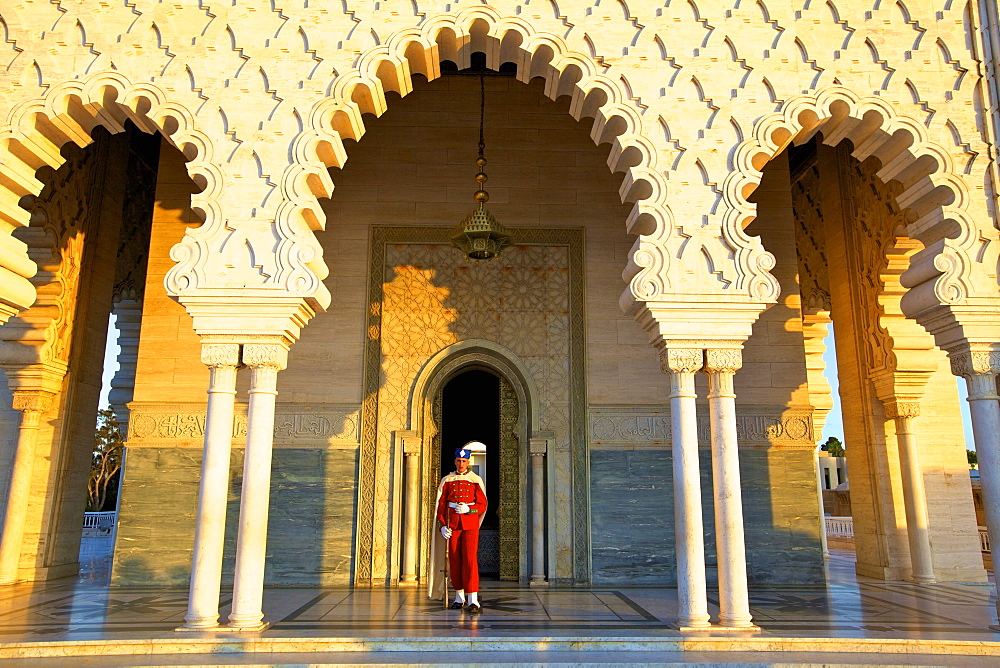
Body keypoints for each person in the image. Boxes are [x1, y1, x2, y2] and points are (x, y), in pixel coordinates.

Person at [435, 444, 488, 613]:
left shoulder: (475, 480)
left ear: (468, 462)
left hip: (470, 524)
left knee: (470, 560)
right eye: (459, 461)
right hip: (453, 525)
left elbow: (482, 504)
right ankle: (459, 597)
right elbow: (441, 506)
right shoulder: (448, 480)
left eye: (464, 461)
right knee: (455, 561)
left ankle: (473, 599)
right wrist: (442, 526)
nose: (461, 464)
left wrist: (469, 509)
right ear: (455, 461)